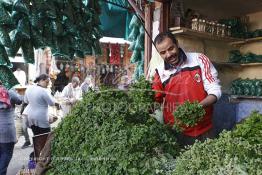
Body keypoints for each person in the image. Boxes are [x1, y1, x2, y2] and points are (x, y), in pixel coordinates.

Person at [152, 31, 221, 146]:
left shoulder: (199, 59)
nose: (168, 55)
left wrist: (197, 107)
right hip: (175, 132)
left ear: (177, 44)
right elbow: (155, 101)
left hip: (203, 129)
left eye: (171, 48)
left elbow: (215, 91)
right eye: (163, 52)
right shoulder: (160, 72)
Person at [0, 80, 22, 175]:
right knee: (6, 154)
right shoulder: (9, 91)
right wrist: (12, 89)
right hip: (6, 129)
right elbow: (20, 100)